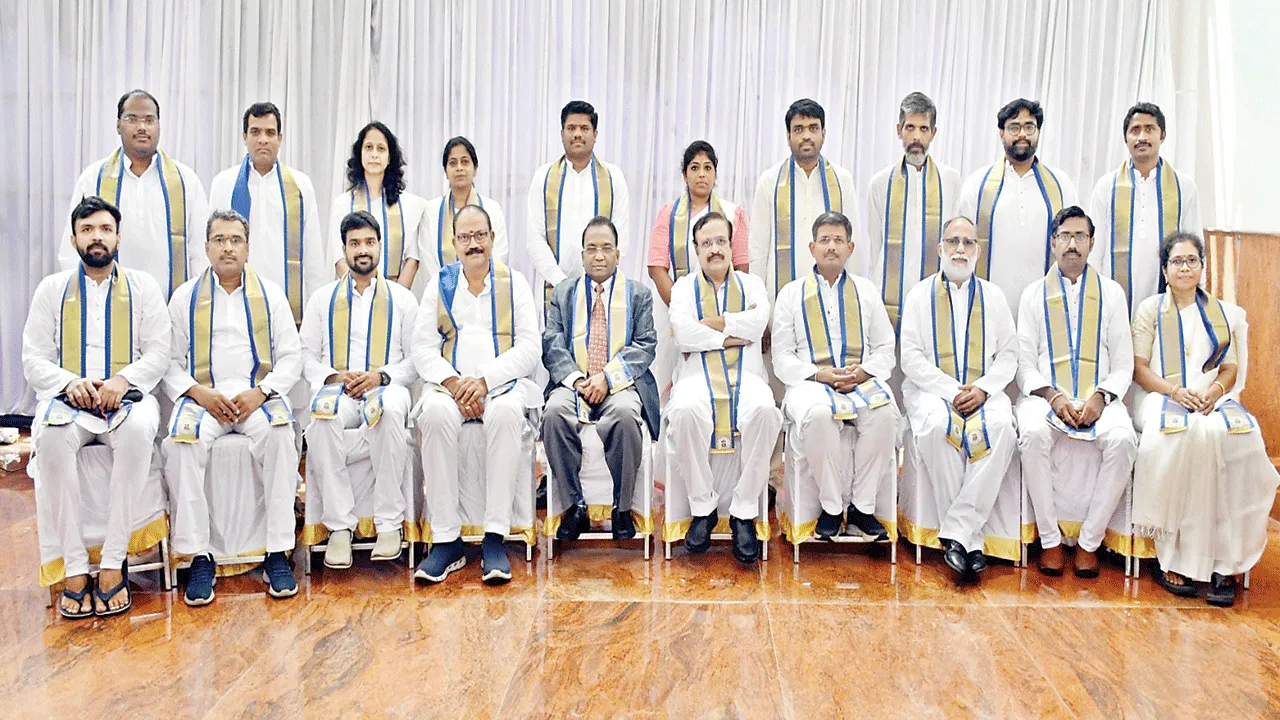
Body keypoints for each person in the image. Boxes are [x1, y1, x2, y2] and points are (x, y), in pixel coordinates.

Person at [23, 196, 171, 619]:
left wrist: (123, 380)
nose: (97, 237)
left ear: (118, 237)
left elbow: (158, 351)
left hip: (125, 399)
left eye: (105, 229)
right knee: (50, 438)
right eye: (87, 230)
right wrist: (69, 383)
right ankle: (73, 567)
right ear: (73, 240)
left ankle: (111, 562)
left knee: (139, 431)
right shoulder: (52, 290)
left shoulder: (143, 287)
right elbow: (33, 358)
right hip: (70, 401)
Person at [163, 209, 303, 606]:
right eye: (219, 240)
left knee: (280, 435)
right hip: (205, 399)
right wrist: (199, 394)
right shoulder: (185, 297)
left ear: (247, 247)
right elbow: (168, 361)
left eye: (235, 240)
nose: (228, 247)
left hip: (254, 397)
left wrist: (262, 392)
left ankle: (277, 552)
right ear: (206, 247)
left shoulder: (270, 295)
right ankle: (199, 556)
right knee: (182, 444)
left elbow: (291, 356)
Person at [1131, 232, 1279, 607]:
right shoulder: (1150, 310)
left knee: (1239, 440)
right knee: (1181, 437)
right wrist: (1175, 392)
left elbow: (1229, 368)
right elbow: (1139, 368)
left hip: (1211, 397)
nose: (1185, 268)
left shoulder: (1222, 313)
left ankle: (1225, 561)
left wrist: (1213, 392)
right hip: (1162, 395)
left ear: (1202, 266)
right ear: (1164, 269)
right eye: (1177, 261)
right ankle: (1173, 558)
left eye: (1192, 261)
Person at [412, 205, 542, 585]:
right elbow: (422, 347)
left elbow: (530, 347)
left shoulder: (514, 283)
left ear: (492, 238)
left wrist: (485, 381)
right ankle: (446, 541)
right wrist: (454, 384)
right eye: (465, 237)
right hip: (450, 388)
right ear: (454, 243)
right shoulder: (440, 284)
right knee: (434, 415)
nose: (473, 244)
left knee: (506, 414)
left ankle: (494, 538)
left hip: (501, 387)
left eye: (480, 235)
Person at [1015, 206, 1136, 577]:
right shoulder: (1033, 295)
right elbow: (1025, 364)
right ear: (1053, 243)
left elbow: (1123, 364)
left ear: (1091, 243)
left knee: (1123, 441)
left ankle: (1089, 543)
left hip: (1099, 397)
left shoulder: (1111, 294)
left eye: (1080, 236)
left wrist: (1100, 398)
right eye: (1065, 236)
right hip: (1046, 398)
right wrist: (1054, 397)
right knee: (1032, 435)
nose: (1072, 244)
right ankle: (1050, 541)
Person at [899, 216, 1018, 582]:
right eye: (953, 241)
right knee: (938, 427)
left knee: (1002, 429)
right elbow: (911, 357)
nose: (960, 249)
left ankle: (957, 534)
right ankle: (971, 540)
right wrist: (952, 391)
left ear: (978, 251)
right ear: (940, 248)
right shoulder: (919, 295)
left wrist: (982, 389)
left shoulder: (994, 297)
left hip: (985, 391)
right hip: (933, 392)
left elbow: (1009, 354)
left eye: (968, 243)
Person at [301, 211, 419, 569]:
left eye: (369, 242)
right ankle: (339, 526)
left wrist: (380, 376)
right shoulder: (322, 299)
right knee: (322, 417)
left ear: (380, 246)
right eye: (354, 243)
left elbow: (417, 359)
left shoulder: (402, 299)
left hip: (386, 385)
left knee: (389, 410)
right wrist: (334, 377)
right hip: (338, 388)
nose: (362, 250)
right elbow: (305, 355)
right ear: (344, 250)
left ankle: (389, 523)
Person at [771, 211, 899, 540]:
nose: (831, 247)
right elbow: (782, 357)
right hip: (811, 382)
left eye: (838, 240)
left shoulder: (866, 291)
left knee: (885, 414)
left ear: (850, 248)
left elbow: (886, 347)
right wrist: (820, 375)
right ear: (812, 248)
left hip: (860, 380)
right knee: (818, 415)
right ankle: (830, 508)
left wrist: (864, 371)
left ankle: (862, 509)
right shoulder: (790, 294)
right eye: (824, 240)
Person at [665, 212, 781, 564]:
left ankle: (744, 511)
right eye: (707, 243)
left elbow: (757, 324)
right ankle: (703, 507)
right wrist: (731, 335)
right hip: (696, 378)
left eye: (720, 241)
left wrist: (713, 325)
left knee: (766, 411)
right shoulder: (683, 287)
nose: (714, 249)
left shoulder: (752, 284)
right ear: (696, 249)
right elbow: (683, 333)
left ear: (731, 246)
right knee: (683, 411)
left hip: (748, 377)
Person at [543, 217, 659, 542]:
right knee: (553, 413)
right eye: (591, 248)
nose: (598, 255)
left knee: (624, 415)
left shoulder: (638, 294)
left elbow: (645, 345)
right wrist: (578, 381)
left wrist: (607, 379)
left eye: (606, 248)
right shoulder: (563, 293)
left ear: (618, 255)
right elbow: (551, 342)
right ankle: (574, 506)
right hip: (574, 382)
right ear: (582, 255)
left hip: (620, 383)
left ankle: (621, 508)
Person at [58, 90, 209, 298]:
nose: (141, 127)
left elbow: (200, 253)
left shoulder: (185, 181)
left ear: (159, 126)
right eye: (132, 119)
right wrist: (87, 301)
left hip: (170, 306)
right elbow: (72, 248)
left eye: (149, 120)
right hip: (105, 306)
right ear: (118, 125)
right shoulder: (93, 179)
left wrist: (193, 303)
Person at [646, 140, 749, 394]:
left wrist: (716, 312)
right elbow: (657, 267)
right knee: (673, 381)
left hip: (721, 312)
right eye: (694, 168)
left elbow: (741, 266)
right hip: (674, 311)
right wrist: (684, 311)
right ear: (684, 175)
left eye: (707, 167)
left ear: (715, 174)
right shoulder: (668, 213)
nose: (701, 174)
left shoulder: (733, 213)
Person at [208, 102, 325, 324]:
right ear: (244, 136)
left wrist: (315, 315)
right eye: (255, 132)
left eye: (270, 133)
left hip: (286, 305)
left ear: (280, 138)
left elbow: (313, 256)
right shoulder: (224, 183)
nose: (263, 139)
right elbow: (213, 249)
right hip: (234, 303)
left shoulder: (300, 186)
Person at [956, 98, 1079, 308]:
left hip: (1045, 306)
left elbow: (1074, 243)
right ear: (1001, 133)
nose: (1022, 134)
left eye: (1029, 127)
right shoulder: (978, 185)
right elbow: (961, 245)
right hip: (988, 306)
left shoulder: (1061, 185)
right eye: (1014, 127)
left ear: (1038, 132)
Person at [1088, 102, 1203, 312]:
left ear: (1162, 135)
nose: (1142, 137)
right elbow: (1095, 251)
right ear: (1125, 138)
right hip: (1114, 302)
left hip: (1170, 300)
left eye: (1150, 129)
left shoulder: (1183, 186)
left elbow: (1195, 245)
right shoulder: (1106, 186)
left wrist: (1195, 301)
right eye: (1135, 130)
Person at [864, 92, 962, 329]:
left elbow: (954, 242)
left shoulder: (950, 180)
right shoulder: (880, 183)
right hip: (889, 300)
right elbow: (875, 247)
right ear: (899, 130)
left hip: (937, 297)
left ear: (933, 133)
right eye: (910, 127)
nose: (916, 136)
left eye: (923, 129)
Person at [749, 98, 861, 299]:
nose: (806, 136)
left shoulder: (842, 180)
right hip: (782, 300)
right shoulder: (770, 181)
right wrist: (757, 303)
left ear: (823, 133)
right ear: (788, 136)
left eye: (813, 128)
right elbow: (758, 249)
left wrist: (854, 297)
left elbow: (853, 244)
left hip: (833, 298)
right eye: (799, 129)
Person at [526, 101, 630, 311]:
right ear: (561, 133)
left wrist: (593, 282)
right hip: (554, 288)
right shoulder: (543, 177)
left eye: (584, 128)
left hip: (601, 289)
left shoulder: (613, 178)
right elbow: (535, 238)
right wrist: (561, 282)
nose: (577, 134)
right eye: (571, 128)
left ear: (595, 134)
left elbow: (620, 238)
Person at [328, 121, 429, 289]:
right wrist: (362, 293)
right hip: (354, 294)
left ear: (389, 158)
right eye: (369, 147)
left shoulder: (409, 206)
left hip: (395, 297)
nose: (374, 154)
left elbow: (412, 260)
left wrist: (394, 297)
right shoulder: (343, 204)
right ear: (359, 154)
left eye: (381, 148)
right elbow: (339, 260)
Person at [420, 136, 509, 281]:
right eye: (453, 163)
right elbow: (427, 258)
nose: (459, 168)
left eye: (465, 162)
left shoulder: (492, 209)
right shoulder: (432, 210)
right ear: (446, 170)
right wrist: (443, 287)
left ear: (475, 168)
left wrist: (477, 286)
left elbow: (499, 254)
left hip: (484, 287)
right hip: (442, 289)